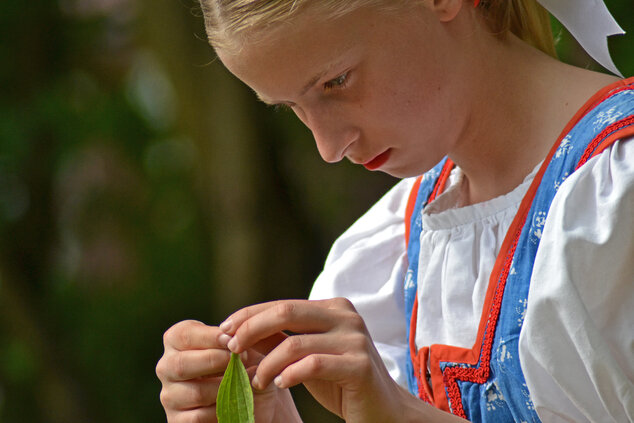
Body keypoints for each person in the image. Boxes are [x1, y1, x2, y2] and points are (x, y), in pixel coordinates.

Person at [155, 0, 634, 421]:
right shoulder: (391, 249)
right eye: (289, 106)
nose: (328, 146)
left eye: (336, 81)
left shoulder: (617, 195)